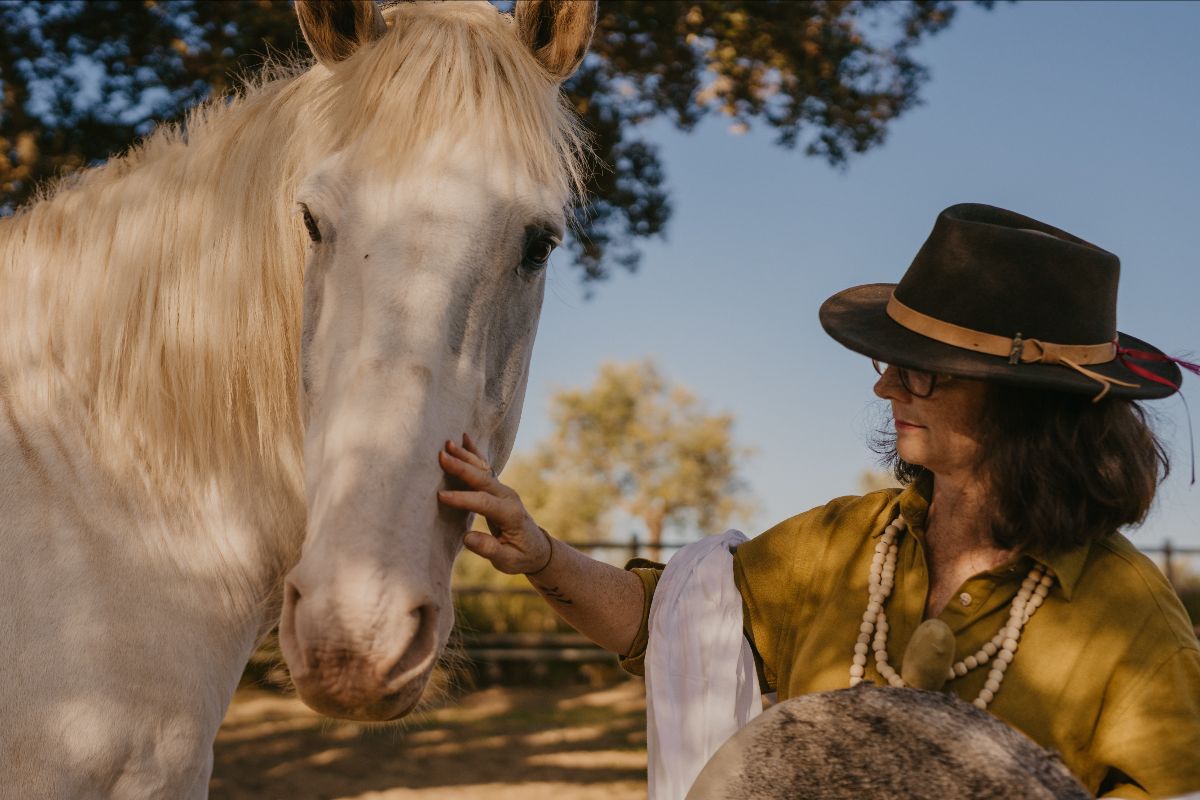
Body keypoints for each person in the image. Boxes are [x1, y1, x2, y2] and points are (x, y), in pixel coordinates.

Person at [437, 203, 1200, 799]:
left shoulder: (1132, 624)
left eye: (923, 370)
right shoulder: (839, 547)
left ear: (1023, 403)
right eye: (892, 360)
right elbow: (664, 621)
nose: (885, 385)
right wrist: (539, 555)